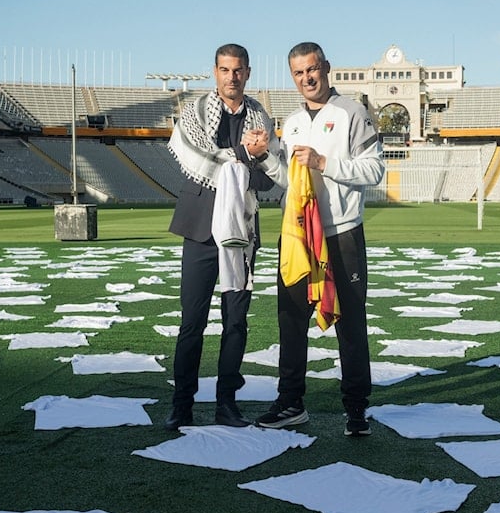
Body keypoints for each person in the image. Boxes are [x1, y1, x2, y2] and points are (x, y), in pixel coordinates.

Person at [256, 41, 385, 436]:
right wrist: (265, 156)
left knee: (350, 322)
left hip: (341, 233)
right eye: (298, 73)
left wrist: (324, 162)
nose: (306, 78)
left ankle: (357, 408)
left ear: (326, 68)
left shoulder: (352, 113)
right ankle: (291, 402)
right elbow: (290, 180)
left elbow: (375, 169)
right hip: (298, 234)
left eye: (312, 69)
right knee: (291, 321)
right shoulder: (292, 122)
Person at [164, 43, 284, 430]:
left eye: (239, 70)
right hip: (200, 227)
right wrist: (243, 155)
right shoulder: (195, 112)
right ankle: (181, 404)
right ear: (214, 72)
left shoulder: (261, 117)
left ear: (248, 73)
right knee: (192, 321)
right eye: (225, 70)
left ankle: (226, 403)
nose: (232, 77)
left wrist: (255, 157)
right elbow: (195, 160)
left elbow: (268, 176)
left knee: (236, 321)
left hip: (242, 230)